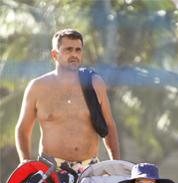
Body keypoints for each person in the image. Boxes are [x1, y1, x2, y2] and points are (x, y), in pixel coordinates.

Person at [15, 28, 120, 169]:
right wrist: (25, 162)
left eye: (78, 50)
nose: (74, 54)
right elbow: (23, 129)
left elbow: (110, 126)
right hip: (50, 169)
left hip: (89, 169)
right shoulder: (38, 87)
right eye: (68, 50)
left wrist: (116, 163)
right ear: (54, 55)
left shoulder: (95, 83)